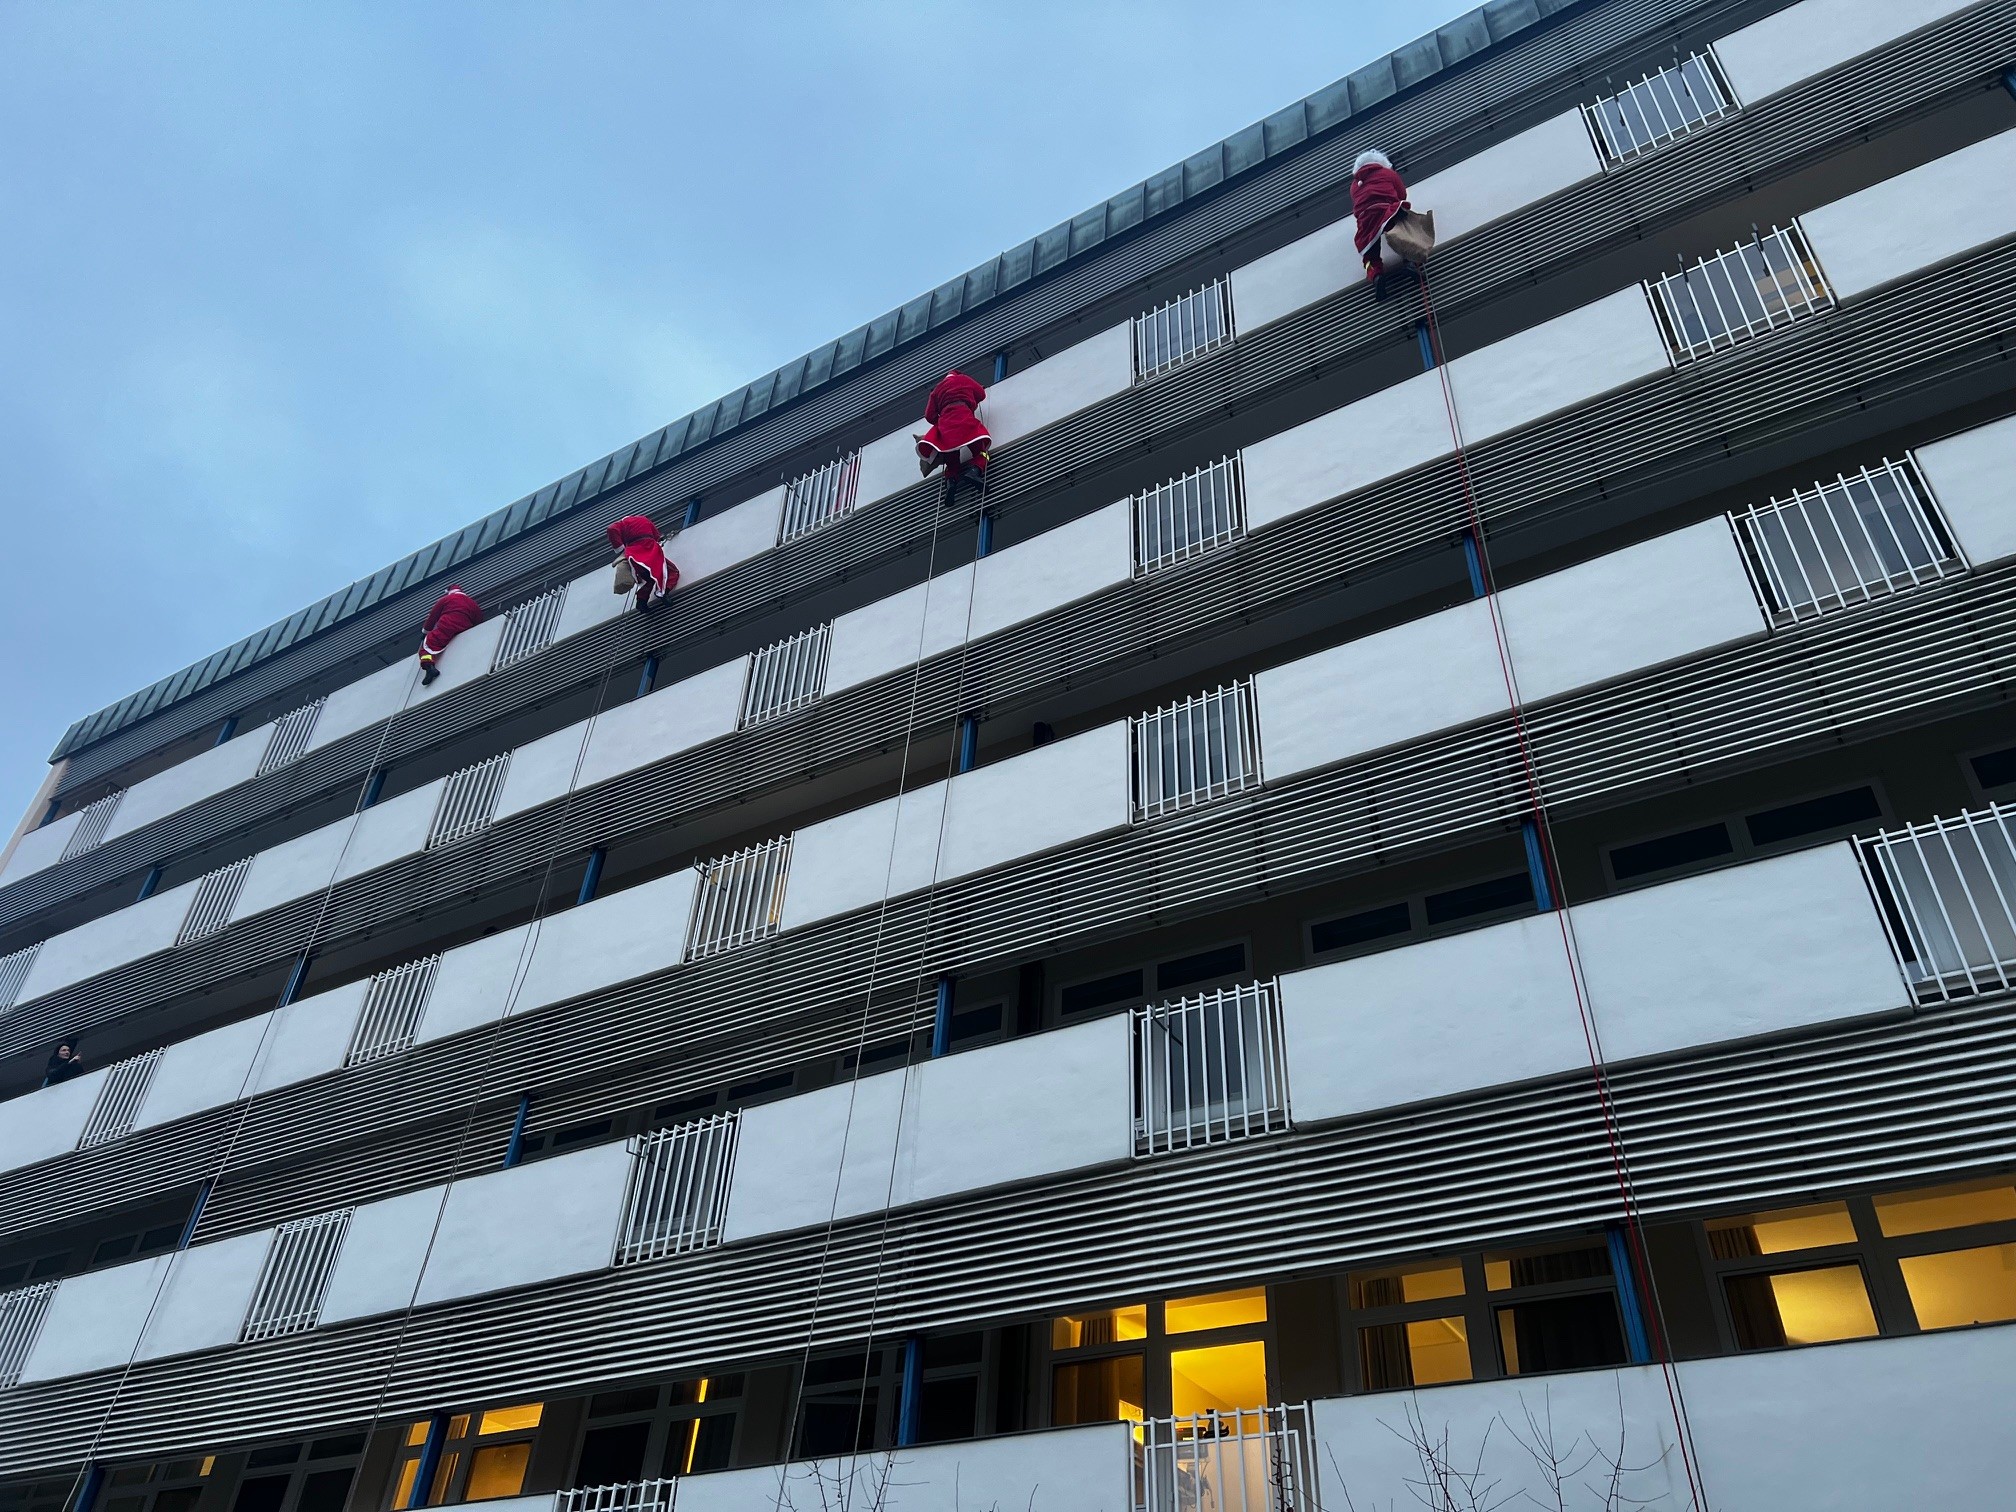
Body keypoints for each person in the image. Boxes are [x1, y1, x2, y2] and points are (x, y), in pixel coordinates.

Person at [1351, 150, 1415, 298]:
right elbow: (1402, 194)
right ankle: (1411, 263)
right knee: (1405, 235)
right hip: (1387, 211)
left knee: (1369, 257)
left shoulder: (1354, 186)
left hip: (1365, 219)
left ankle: (1376, 276)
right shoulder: (1388, 174)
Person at [914, 371, 992, 489]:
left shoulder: (936, 390)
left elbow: (929, 416)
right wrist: (971, 399)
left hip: (946, 425)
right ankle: (974, 471)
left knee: (951, 459)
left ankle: (951, 482)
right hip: (964, 417)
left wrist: (942, 418)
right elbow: (981, 394)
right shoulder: (963, 379)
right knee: (981, 451)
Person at [607, 515, 678, 613]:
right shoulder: (645, 520)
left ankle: (642, 601)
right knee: (670, 570)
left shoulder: (622, 524)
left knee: (648, 578)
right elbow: (657, 536)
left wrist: (620, 547)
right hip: (651, 549)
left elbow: (611, 528)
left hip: (635, 553)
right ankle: (663, 592)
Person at [418, 585, 483, 685]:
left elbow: (432, 617)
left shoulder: (445, 599)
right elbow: (479, 619)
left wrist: (425, 632)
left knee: (427, 646)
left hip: (447, 625)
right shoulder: (472, 603)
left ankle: (429, 668)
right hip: (465, 628)